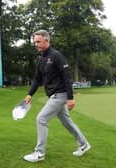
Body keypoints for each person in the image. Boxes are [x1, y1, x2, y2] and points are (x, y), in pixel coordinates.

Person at [23, 30, 90, 163]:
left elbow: (67, 76)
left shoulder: (56, 56)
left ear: (46, 41)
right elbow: (37, 79)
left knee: (41, 119)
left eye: (38, 41)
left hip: (60, 94)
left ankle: (39, 153)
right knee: (67, 122)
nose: (36, 44)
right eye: (35, 42)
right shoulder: (40, 58)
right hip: (53, 95)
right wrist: (30, 94)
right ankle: (84, 144)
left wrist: (70, 98)